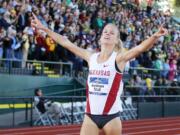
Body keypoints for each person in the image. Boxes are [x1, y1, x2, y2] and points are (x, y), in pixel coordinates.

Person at [31, 13, 168, 135]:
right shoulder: (91, 57)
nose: (107, 33)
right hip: (90, 116)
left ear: (116, 40)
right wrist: (44, 28)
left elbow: (139, 48)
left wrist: (155, 36)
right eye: (105, 32)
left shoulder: (118, 59)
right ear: (100, 38)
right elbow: (66, 42)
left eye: (112, 33)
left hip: (111, 118)